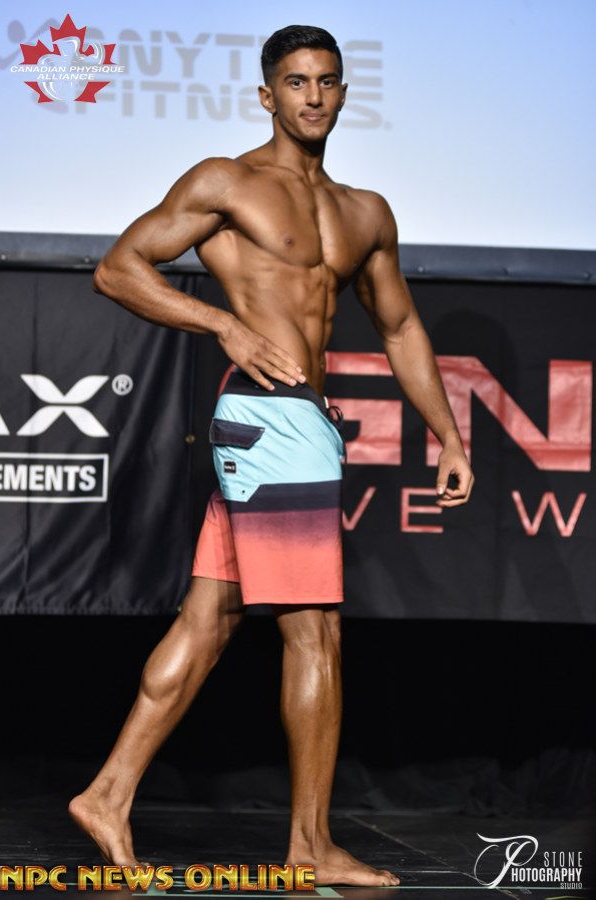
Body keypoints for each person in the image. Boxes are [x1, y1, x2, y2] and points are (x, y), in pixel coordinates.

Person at [69, 24, 474, 887]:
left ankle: (106, 794)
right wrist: (223, 323)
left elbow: (400, 326)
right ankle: (309, 846)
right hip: (266, 419)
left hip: (301, 424)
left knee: (209, 621)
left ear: (343, 92)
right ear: (266, 95)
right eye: (295, 82)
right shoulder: (227, 182)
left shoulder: (365, 211)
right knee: (315, 633)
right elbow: (118, 269)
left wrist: (448, 433)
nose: (312, 96)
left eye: (326, 81)